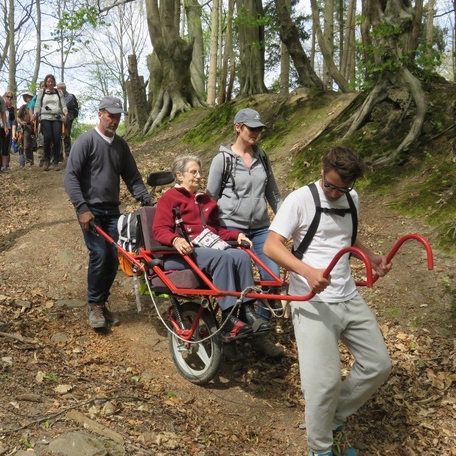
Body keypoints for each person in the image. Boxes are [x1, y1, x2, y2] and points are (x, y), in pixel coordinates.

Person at [264, 146, 393, 456]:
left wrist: (371, 257)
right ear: (322, 171)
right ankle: (320, 448)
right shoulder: (300, 199)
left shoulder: (352, 198)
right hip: (311, 300)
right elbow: (271, 246)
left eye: (343, 188)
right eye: (330, 185)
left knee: (379, 365)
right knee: (323, 384)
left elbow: (346, 237)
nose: (335, 193)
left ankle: (332, 420)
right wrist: (306, 271)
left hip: (348, 295)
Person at [153, 155, 271, 340]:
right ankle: (228, 318)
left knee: (240, 256)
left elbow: (216, 231)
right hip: (181, 253)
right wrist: (176, 240)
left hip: (207, 247)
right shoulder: (169, 199)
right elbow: (159, 230)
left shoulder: (206, 201)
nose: (199, 176)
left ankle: (247, 310)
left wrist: (236, 235)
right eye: (193, 172)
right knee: (223, 258)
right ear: (179, 175)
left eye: (200, 172)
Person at [64, 96, 152, 329]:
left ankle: (101, 304)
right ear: (100, 114)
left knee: (115, 257)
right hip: (89, 210)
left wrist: (144, 198)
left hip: (113, 210)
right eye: (110, 115)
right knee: (99, 254)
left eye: (117, 116)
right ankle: (93, 305)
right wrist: (82, 209)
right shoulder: (86, 141)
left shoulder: (121, 145)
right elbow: (70, 177)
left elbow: (132, 177)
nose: (114, 120)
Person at [206, 108, 284, 357]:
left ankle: (260, 331)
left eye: (259, 128)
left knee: (272, 278)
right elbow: (209, 198)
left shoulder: (262, 157)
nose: (256, 133)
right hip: (231, 227)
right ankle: (233, 331)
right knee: (239, 282)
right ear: (237, 127)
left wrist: (285, 221)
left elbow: (273, 193)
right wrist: (209, 231)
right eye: (252, 128)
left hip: (261, 228)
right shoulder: (223, 160)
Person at [33, 74, 67, 171]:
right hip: (45, 117)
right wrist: (35, 114)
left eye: (51, 81)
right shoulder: (41, 92)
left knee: (57, 139)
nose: (50, 83)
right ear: (46, 82)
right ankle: (46, 160)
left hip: (57, 117)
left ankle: (55, 161)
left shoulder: (59, 92)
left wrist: (66, 112)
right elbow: (37, 105)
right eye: (48, 81)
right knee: (47, 138)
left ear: (54, 82)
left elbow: (63, 104)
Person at [56, 82, 79, 159]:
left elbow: (64, 106)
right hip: (58, 117)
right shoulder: (56, 96)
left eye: (59, 88)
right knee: (57, 135)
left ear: (63, 88)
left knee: (66, 134)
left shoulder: (70, 97)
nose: (57, 90)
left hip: (68, 116)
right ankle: (58, 155)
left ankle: (68, 154)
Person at [2, 90, 16, 171]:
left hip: (8, 128)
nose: (9, 99)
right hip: (0, 127)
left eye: (11, 97)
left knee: (7, 146)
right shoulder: (0, 105)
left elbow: (13, 120)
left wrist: (13, 134)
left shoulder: (12, 108)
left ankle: (6, 165)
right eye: (8, 97)